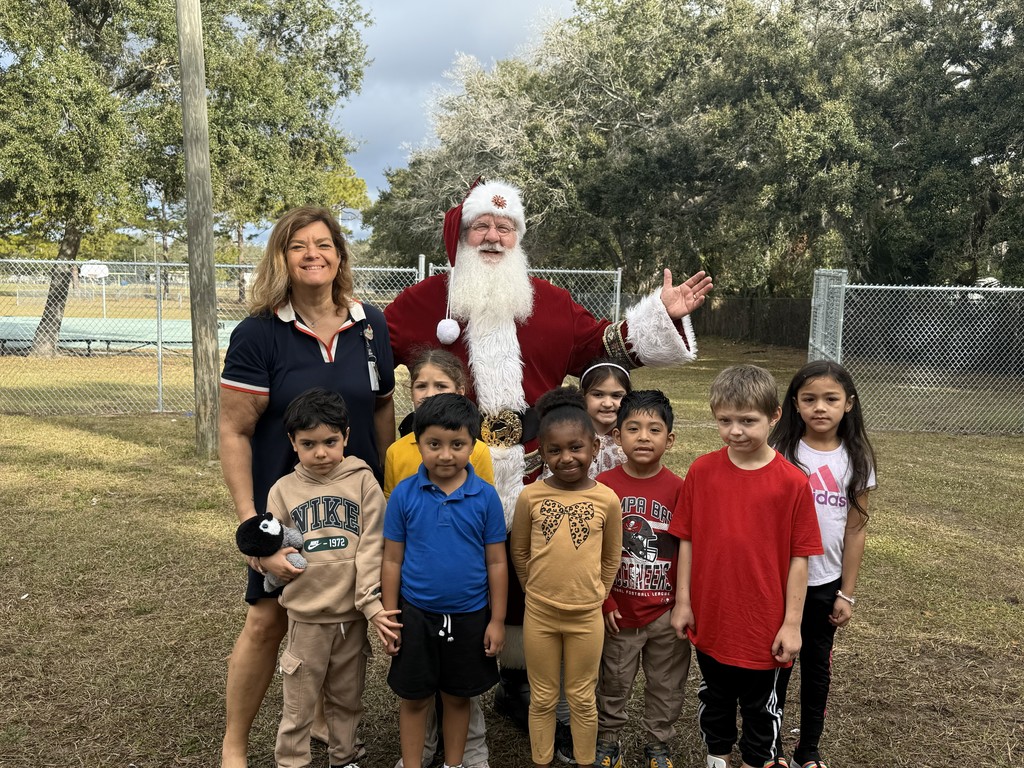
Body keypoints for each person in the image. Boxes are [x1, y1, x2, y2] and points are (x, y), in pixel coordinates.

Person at [385, 177, 711, 723]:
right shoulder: (422, 303)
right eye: (481, 226)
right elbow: (366, 343)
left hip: (540, 471)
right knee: (459, 573)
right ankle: (453, 684)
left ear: (518, 237)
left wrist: (663, 313)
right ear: (461, 234)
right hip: (453, 473)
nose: (493, 236)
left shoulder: (550, 303)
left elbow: (603, 346)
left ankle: (521, 685)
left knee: (537, 571)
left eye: (504, 227)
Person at [219, 206, 395, 768]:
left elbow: (384, 406)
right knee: (269, 619)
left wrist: (389, 493)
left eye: (324, 243)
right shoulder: (258, 333)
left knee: (343, 617)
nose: (313, 254)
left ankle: (325, 720)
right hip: (288, 511)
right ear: (282, 257)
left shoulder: (371, 325)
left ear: (340, 254)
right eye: (299, 245)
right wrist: (254, 526)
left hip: (354, 505)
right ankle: (235, 745)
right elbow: (234, 429)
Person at [668, 365, 823, 768]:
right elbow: (686, 540)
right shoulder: (702, 471)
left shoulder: (793, 483)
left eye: (748, 421)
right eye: (725, 421)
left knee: (760, 707)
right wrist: (683, 603)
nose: (736, 431)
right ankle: (717, 758)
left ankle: (759, 760)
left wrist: (792, 623)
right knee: (714, 697)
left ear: (774, 416)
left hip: (763, 624)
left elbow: (799, 559)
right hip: (713, 616)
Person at [264, 388, 399, 768]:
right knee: (300, 704)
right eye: (308, 444)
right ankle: (292, 761)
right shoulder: (283, 490)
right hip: (306, 618)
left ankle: (345, 757)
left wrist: (372, 605)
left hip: (352, 618)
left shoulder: (363, 482)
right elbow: (271, 548)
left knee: (347, 699)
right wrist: (269, 561)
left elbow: (374, 546)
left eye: (330, 441)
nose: (320, 452)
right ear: (292, 442)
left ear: (346, 437)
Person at [382, 393, 508, 768]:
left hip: (471, 616)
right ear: (418, 443)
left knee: (457, 697)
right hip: (415, 614)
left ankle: (455, 764)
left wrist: (497, 620)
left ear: (473, 444)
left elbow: (497, 562)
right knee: (415, 698)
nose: (446, 455)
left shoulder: (485, 497)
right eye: (434, 444)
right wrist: (390, 614)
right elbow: (391, 558)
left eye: (458, 444)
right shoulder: (404, 494)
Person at [768, 361, 877, 768]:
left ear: (848, 404)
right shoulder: (780, 452)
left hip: (825, 583)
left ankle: (807, 752)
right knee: (775, 668)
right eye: (809, 399)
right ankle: (770, 750)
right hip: (779, 582)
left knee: (816, 672)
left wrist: (846, 592)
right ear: (794, 404)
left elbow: (855, 530)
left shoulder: (857, 459)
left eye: (830, 399)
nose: (820, 408)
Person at [510, 387, 623, 768]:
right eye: (554, 450)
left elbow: (611, 558)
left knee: (581, 696)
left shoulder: (607, 499)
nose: (566, 458)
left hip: (586, 617)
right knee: (542, 697)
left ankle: (585, 759)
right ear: (542, 452)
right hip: (540, 615)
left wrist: (596, 593)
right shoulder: (531, 497)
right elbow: (520, 552)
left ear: (593, 447)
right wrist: (534, 590)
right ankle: (541, 760)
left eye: (575, 447)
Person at [594, 390, 691, 768]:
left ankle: (658, 744)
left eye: (654, 429)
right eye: (633, 428)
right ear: (617, 436)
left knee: (666, 685)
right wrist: (605, 600)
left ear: (670, 439)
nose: (644, 437)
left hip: (665, 611)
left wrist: (684, 603)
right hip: (619, 610)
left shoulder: (681, 488)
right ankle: (608, 740)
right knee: (613, 682)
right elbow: (592, 552)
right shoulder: (602, 486)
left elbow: (687, 549)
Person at [385, 347, 494, 498]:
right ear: (411, 393)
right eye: (421, 386)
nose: (430, 394)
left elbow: (485, 502)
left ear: (460, 392)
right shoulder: (395, 453)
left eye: (441, 386)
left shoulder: (479, 452)